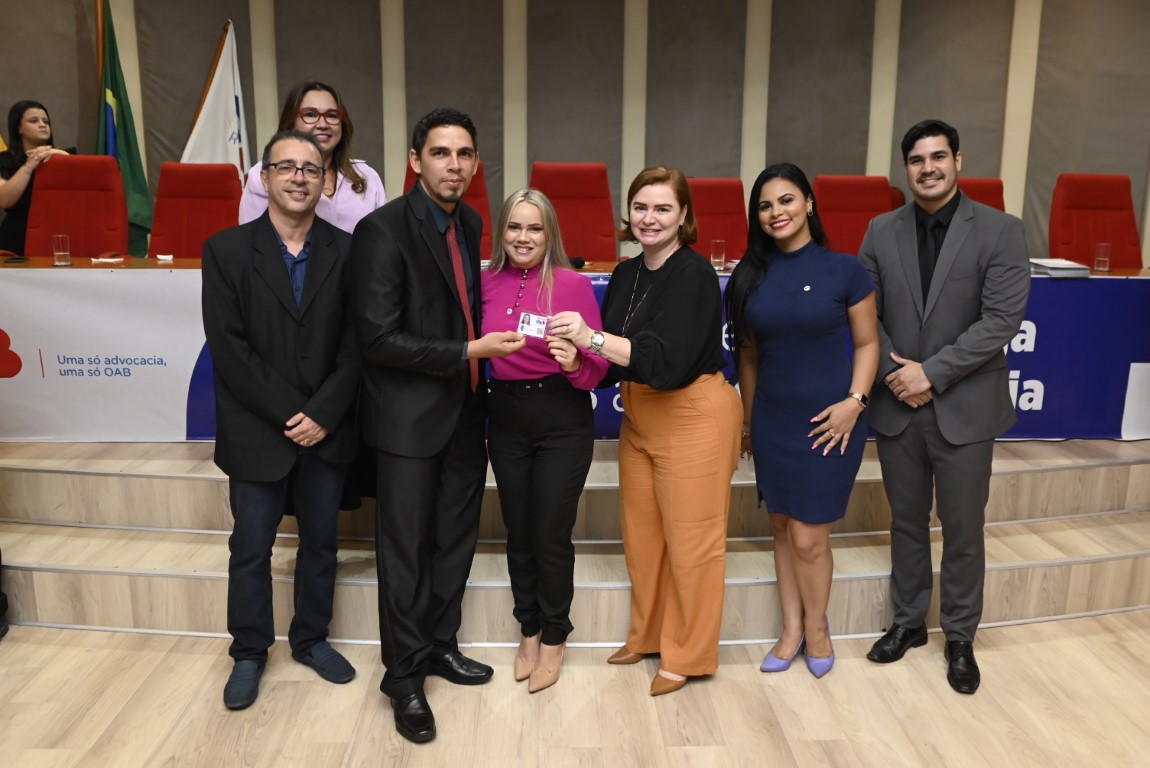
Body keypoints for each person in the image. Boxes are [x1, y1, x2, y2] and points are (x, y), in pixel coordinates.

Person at [350, 108, 525, 743]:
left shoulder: (471, 222)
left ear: (476, 163)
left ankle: (438, 646)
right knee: (405, 552)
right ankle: (402, 678)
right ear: (415, 160)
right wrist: (469, 352)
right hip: (407, 421)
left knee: (454, 541)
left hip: (464, 413)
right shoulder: (381, 230)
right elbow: (378, 339)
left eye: (465, 154)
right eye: (441, 153)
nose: (454, 165)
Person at [550, 166, 741, 696]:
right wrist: (578, 359)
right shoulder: (628, 273)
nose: (649, 218)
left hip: (692, 413)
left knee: (693, 545)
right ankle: (650, 636)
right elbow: (614, 357)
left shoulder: (694, 274)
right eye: (641, 207)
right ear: (628, 214)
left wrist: (590, 338)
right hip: (639, 417)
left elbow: (663, 361)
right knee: (644, 540)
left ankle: (688, 654)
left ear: (684, 216)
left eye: (662, 208)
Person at [858, 119, 1030, 694]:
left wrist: (929, 373)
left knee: (962, 528)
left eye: (938, 157)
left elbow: (1000, 321)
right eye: (916, 159)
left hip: (966, 407)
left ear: (958, 160)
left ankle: (959, 636)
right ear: (905, 167)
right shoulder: (880, 230)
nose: (927, 168)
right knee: (906, 521)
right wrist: (895, 375)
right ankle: (908, 622)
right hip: (897, 405)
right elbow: (864, 314)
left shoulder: (1001, 230)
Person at [202, 130, 362, 711]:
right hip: (257, 428)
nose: (299, 177)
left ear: (325, 183)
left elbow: (358, 345)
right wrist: (292, 413)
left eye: (311, 169)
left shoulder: (351, 252)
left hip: (326, 428)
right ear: (264, 177)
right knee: (251, 547)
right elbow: (229, 348)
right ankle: (249, 652)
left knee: (321, 544)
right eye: (286, 167)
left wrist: (322, 413)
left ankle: (310, 639)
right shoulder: (224, 251)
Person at [725, 163, 878, 678]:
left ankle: (817, 629)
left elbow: (868, 344)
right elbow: (748, 359)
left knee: (810, 537)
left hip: (832, 422)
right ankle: (790, 629)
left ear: (809, 203)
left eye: (787, 200)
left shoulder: (845, 270)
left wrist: (855, 402)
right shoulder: (748, 277)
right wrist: (748, 425)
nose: (777, 212)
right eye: (765, 205)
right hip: (773, 421)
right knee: (780, 526)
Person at [481, 189, 609, 693]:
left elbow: (599, 368)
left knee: (550, 533)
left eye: (534, 228)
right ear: (502, 232)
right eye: (514, 227)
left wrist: (576, 362)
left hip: (561, 417)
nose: (523, 237)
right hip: (505, 417)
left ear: (549, 233)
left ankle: (556, 634)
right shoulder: (483, 283)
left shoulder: (574, 284)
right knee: (518, 530)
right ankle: (528, 628)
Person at [239, 81, 385, 233]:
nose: (323, 124)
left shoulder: (366, 175)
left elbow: (383, 236)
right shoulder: (265, 175)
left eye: (332, 115)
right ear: (291, 122)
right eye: (310, 114)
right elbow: (251, 239)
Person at [0, 101, 71, 255]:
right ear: (18, 128)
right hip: (17, 237)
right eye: (34, 121)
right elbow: (4, 200)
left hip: (61, 234)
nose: (42, 125)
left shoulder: (66, 155)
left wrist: (62, 156)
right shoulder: (4, 160)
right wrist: (30, 165)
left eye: (46, 121)